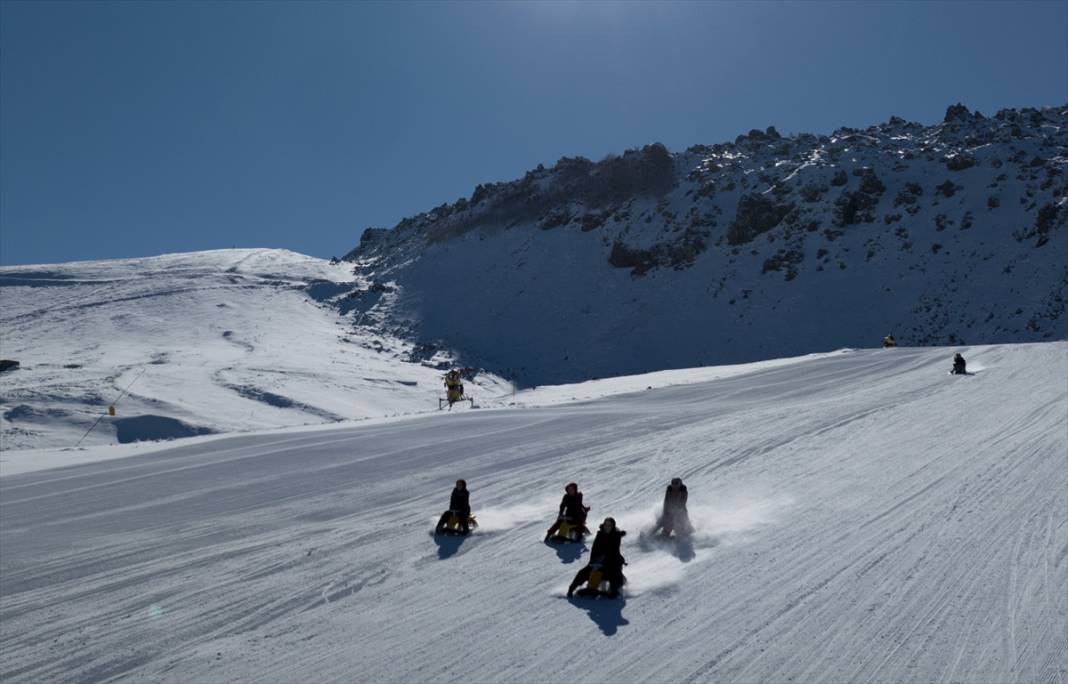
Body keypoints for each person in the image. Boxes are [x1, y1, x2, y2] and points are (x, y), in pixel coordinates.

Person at [567, 518, 627, 598]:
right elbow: (594, 550)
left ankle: (615, 589)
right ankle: (571, 589)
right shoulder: (600, 534)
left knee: (614, 575)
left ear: (613, 527)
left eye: (609, 526)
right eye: (606, 525)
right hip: (598, 562)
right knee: (583, 572)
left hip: (613, 562)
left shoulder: (616, 536)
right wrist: (592, 563)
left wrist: (602, 563)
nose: (607, 527)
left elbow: (613, 551)